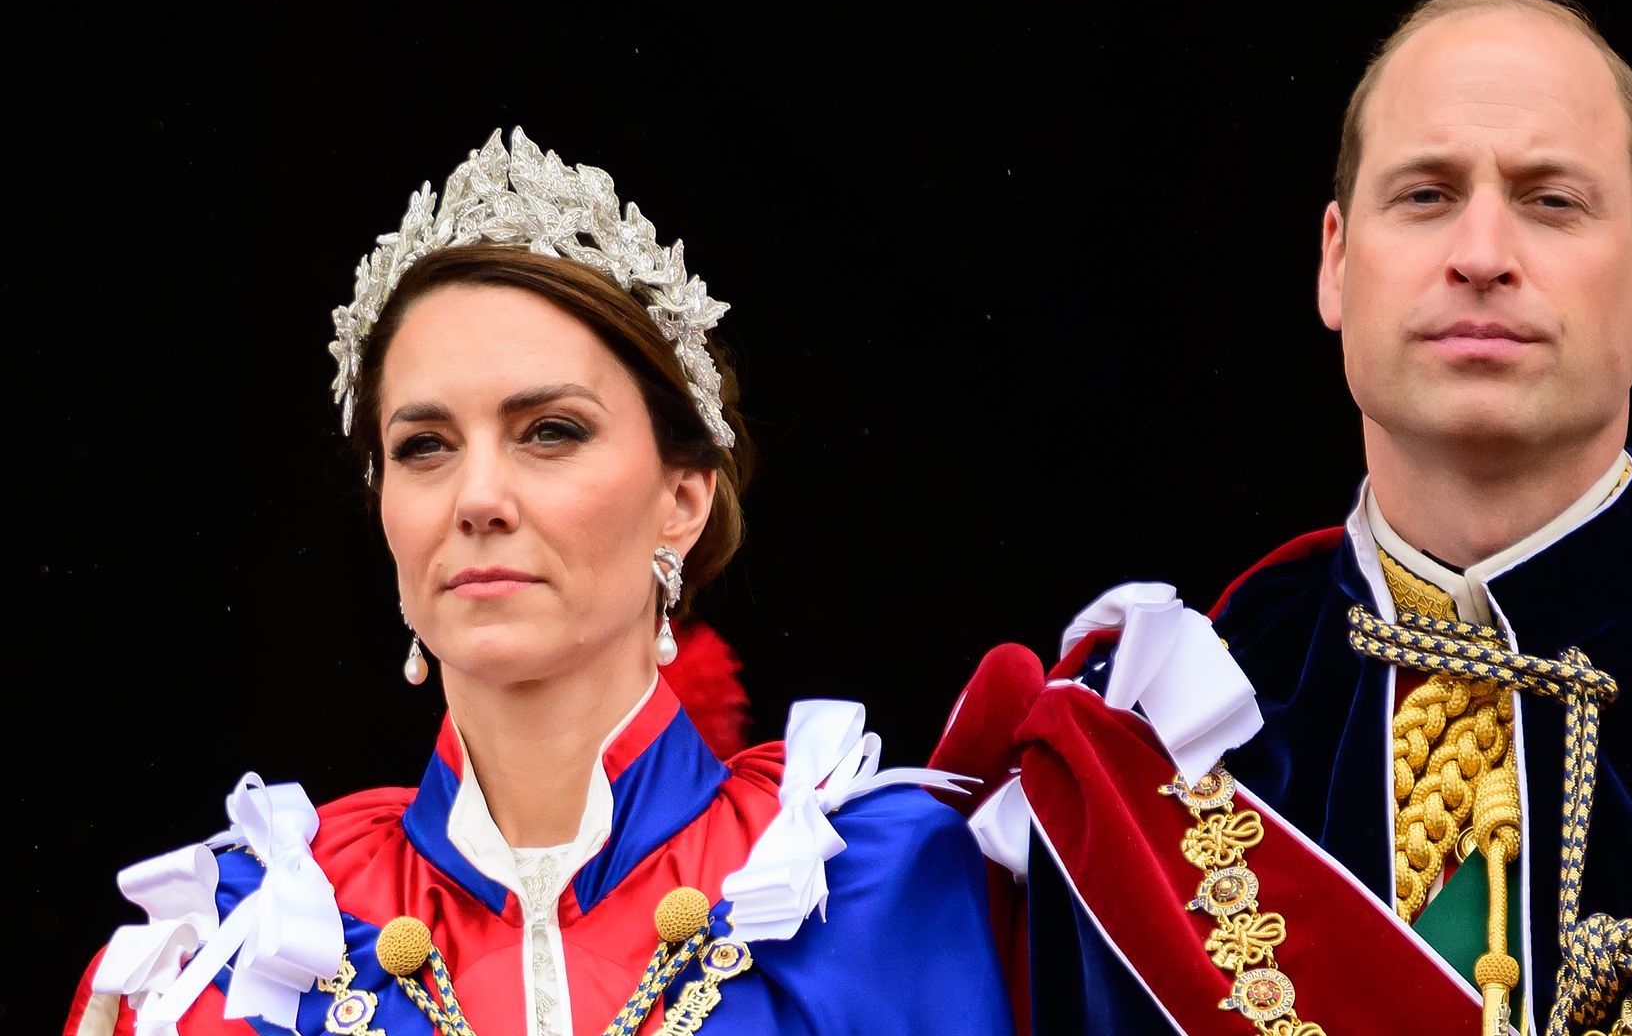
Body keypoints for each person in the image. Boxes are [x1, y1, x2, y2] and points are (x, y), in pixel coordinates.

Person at [931, 0, 1632, 1036]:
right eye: (1426, 195)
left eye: (1550, 200)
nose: (1483, 253)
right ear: (1336, 263)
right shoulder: (1137, 741)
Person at [65, 128, 1014, 1036]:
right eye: (424, 446)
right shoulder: (245, 948)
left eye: (549, 431)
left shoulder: (866, 885)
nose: (477, 497)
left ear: (682, 498)